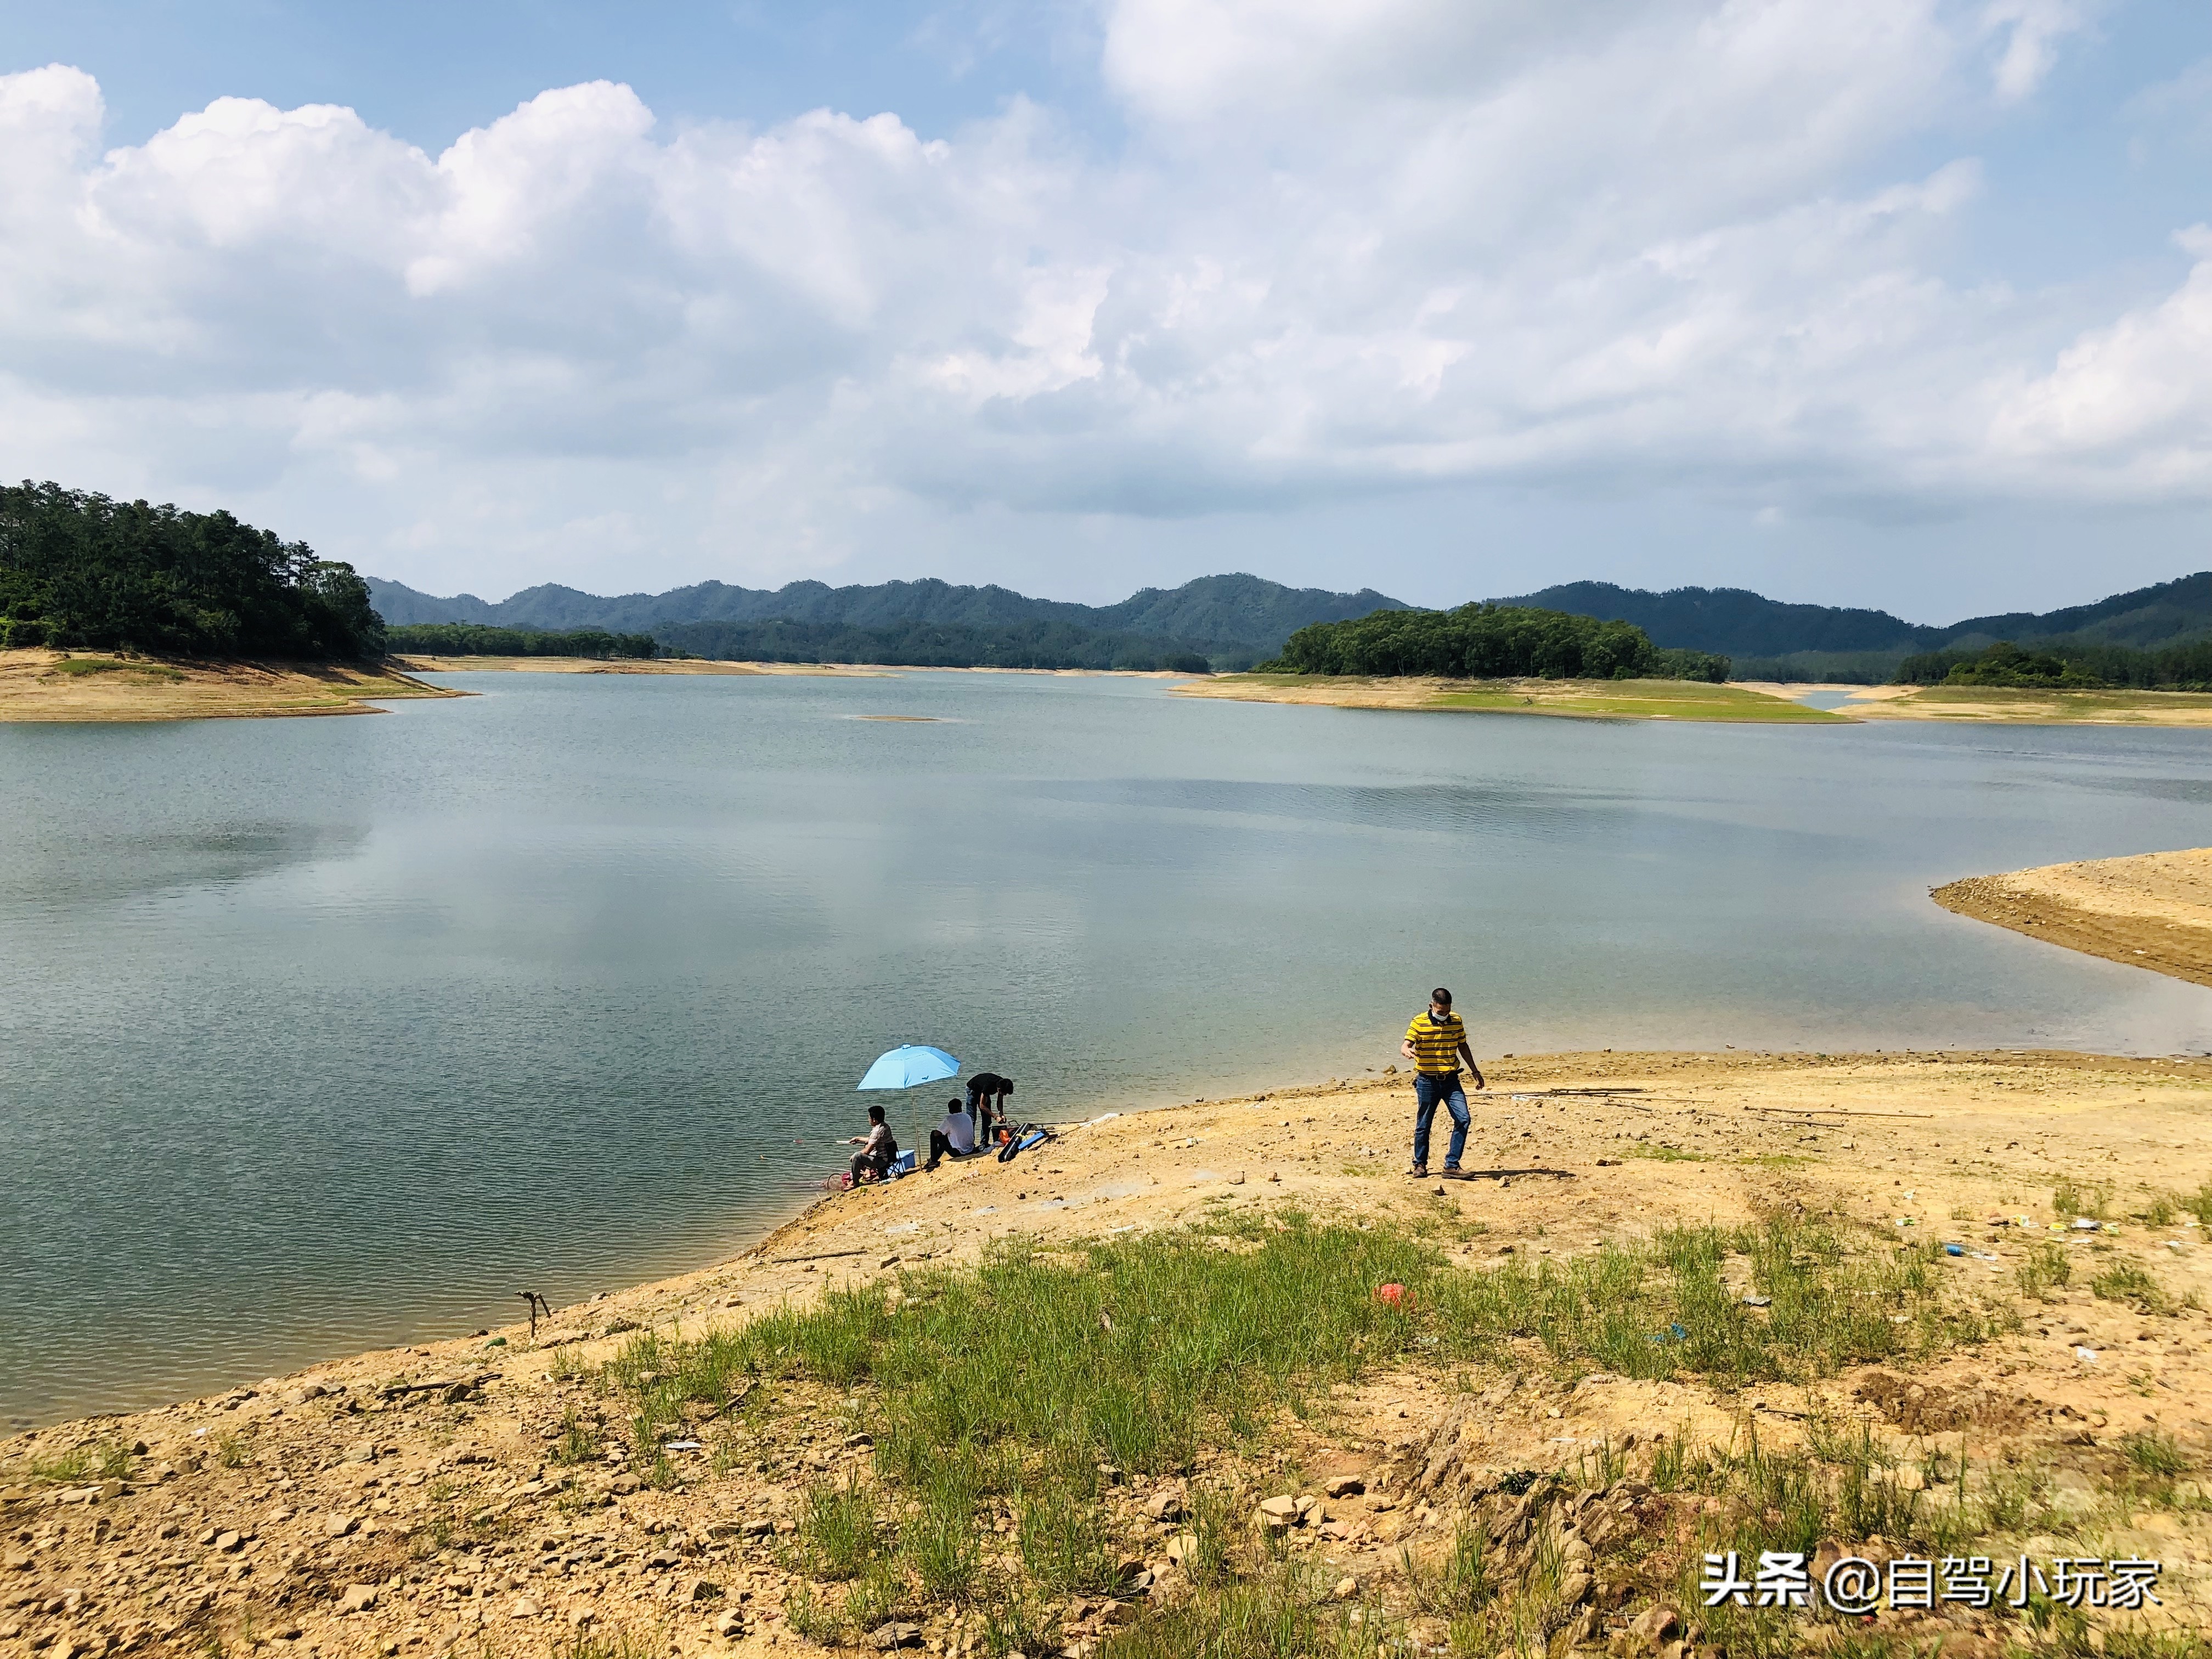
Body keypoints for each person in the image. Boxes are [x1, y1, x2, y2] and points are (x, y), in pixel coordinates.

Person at [1400, 986, 1483, 1179]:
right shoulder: (1419, 1022)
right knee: (1424, 1125)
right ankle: (1420, 1165)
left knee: (1464, 1119)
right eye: (1440, 1012)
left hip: (1451, 1081)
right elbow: (1406, 1044)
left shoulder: (1456, 1021)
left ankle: (1452, 1165)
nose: (1444, 1015)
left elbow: (1463, 1045)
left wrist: (1475, 1071)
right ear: (1431, 1006)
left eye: (1447, 1011)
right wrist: (1406, 1050)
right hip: (1427, 1082)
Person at [845, 1104, 899, 1183]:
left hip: (883, 1162)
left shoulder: (876, 1131)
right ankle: (867, 1171)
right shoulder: (885, 1126)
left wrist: (854, 1156)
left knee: (858, 1156)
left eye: (869, 1118)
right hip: (891, 1157)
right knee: (866, 1146)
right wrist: (858, 1139)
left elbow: (867, 1150)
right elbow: (872, 1140)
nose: (868, 1120)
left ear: (874, 1120)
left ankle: (855, 1182)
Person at [925, 1097, 977, 1171]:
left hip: (958, 1153)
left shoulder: (949, 1119)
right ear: (960, 1108)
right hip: (970, 1149)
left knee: (933, 1134)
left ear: (950, 1109)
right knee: (945, 1134)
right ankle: (934, 1158)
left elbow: (937, 1134)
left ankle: (933, 1160)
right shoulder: (967, 1116)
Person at [964, 1071, 1013, 1144]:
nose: (1005, 1095)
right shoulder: (989, 1086)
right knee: (972, 1120)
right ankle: (969, 1144)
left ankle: (984, 1143)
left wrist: (1001, 1114)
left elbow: (999, 1102)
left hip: (983, 1090)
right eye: (1005, 1093)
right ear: (999, 1090)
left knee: (987, 1119)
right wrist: (995, 1117)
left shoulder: (1003, 1083)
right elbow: (982, 1106)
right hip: (972, 1090)